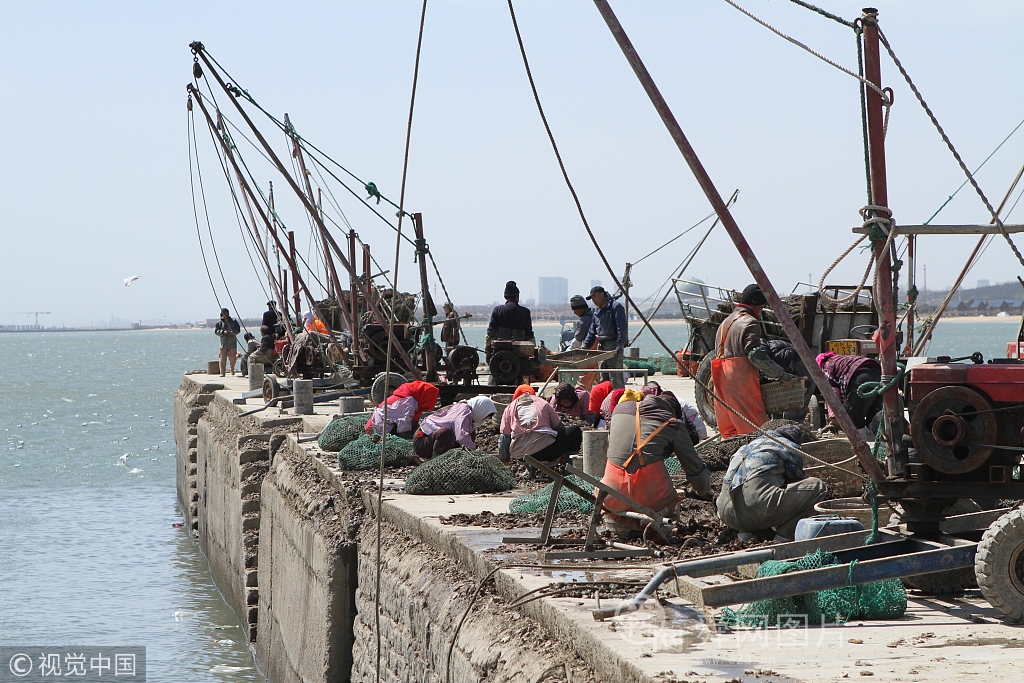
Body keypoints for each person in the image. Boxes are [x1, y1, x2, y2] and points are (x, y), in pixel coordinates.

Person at [602, 393, 712, 539]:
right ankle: (659, 528)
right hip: (648, 499)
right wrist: (704, 491)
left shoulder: (619, 410)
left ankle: (630, 526)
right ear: (672, 411)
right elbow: (695, 469)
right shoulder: (672, 423)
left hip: (608, 494)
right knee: (674, 497)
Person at [716, 424, 828, 542]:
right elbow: (796, 478)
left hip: (725, 511)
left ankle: (747, 534)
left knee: (760, 490)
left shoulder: (745, 447)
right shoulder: (787, 445)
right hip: (754, 508)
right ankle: (784, 537)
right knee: (817, 487)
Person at [712, 284, 792, 438]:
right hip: (738, 379)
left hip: (720, 378)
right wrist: (780, 374)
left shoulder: (725, 322)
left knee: (730, 430)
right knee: (755, 427)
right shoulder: (750, 322)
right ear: (757, 305)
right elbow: (755, 355)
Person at [498, 385, 582, 467]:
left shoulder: (509, 408)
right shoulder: (543, 403)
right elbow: (560, 428)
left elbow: (504, 439)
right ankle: (571, 470)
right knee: (575, 431)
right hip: (545, 452)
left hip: (520, 455)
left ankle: (530, 470)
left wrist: (505, 458)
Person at [815, 351, 884, 431]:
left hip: (860, 377)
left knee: (855, 420)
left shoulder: (826, 366)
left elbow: (832, 392)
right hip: (878, 374)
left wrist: (834, 418)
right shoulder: (841, 360)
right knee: (874, 417)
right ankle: (883, 441)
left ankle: (859, 443)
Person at [413, 396, 496, 460]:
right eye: (484, 417)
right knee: (445, 433)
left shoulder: (467, 411)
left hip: (433, 442)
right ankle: (436, 461)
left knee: (471, 434)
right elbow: (461, 437)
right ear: (481, 409)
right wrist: (474, 452)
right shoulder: (464, 412)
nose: (483, 420)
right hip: (422, 444)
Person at [582, 286, 628, 389]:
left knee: (615, 377)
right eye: (592, 298)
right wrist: (585, 347)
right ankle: (604, 401)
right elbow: (592, 330)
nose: (593, 300)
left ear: (602, 294)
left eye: (594, 297)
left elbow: (622, 327)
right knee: (603, 378)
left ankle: (618, 399)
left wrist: (620, 344)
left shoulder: (615, 307)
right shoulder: (596, 311)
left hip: (613, 345)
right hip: (601, 346)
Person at [367, 380, 440, 438]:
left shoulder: (413, 400)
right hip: (380, 427)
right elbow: (403, 425)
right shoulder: (407, 402)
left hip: (384, 423)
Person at [485, 281, 534, 356]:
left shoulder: (497, 310)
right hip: (520, 353)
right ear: (517, 297)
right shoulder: (525, 312)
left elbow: (491, 333)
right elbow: (529, 335)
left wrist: (489, 355)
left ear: (505, 297)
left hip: (500, 353)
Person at [215, 308, 241, 377]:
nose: (224, 314)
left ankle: (232, 368)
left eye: (226, 313)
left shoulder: (234, 321)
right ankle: (222, 372)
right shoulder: (219, 323)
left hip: (232, 342)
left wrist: (233, 332)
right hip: (223, 343)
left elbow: (238, 330)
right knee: (222, 359)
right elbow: (216, 331)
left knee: (233, 358)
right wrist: (223, 332)